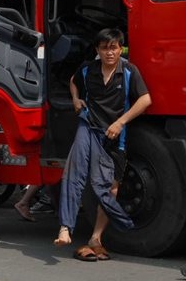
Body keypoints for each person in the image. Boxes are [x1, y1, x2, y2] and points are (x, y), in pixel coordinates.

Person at [55, 28, 150, 261]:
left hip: (115, 136)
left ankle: (96, 238)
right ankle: (65, 228)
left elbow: (145, 99)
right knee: (74, 171)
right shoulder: (87, 69)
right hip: (89, 127)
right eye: (105, 48)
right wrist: (76, 99)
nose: (110, 52)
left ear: (120, 49)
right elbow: (73, 81)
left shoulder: (129, 71)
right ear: (97, 50)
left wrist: (120, 122)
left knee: (109, 187)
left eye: (114, 48)